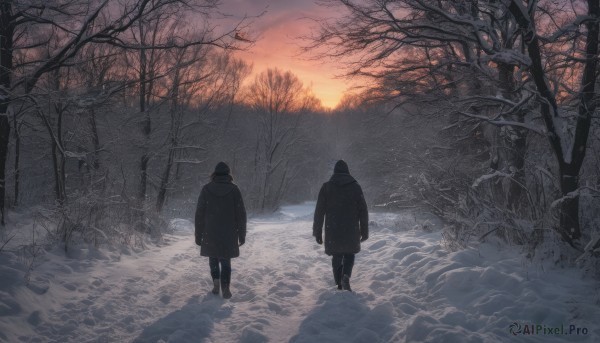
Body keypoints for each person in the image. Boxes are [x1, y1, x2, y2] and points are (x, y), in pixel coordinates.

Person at [313, 160, 369, 291]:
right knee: (349, 254)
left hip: (333, 229)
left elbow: (319, 211)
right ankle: (346, 276)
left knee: (337, 255)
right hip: (351, 229)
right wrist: (364, 231)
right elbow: (363, 210)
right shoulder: (355, 187)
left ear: (335, 172)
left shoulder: (326, 187)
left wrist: (317, 232)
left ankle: (339, 284)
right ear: (347, 171)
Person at [195, 162, 247, 299]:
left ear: (214, 174)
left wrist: (198, 234)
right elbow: (241, 214)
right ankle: (226, 286)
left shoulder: (206, 189)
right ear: (228, 174)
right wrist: (242, 234)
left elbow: (199, 213)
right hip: (228, 232)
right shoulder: (234, 190)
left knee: (213, 258)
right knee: (225, 260)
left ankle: (216, 283)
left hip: (210, 231)